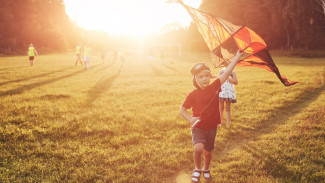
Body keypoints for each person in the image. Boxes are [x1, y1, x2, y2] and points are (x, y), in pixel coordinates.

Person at [179, 50, 243, 182]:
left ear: (210, 77)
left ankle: (206, 169)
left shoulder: (215, 86)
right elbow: (182, 110)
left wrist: (237, 57)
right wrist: (191, 119)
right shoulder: (192, 95)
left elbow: (226, 73)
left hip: (212, 127)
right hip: (198, 126)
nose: (204, 79)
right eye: (201, 76)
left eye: (207, 76)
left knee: (208, 152)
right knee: (198, 148)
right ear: (195, 79)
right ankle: (197, 168)